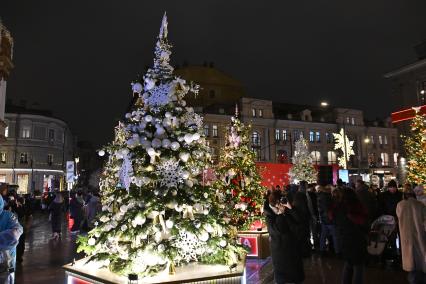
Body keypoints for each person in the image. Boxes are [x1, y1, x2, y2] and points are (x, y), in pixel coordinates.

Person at [264, 190, 304, 284]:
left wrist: (290, 208)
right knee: (282, 276)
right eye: (280, 200)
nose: (282, 202)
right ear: (276, 202)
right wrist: (280, 214)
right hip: (280, 249)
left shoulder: (285, 208)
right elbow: (278, 230)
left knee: (296, 275)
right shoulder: (269, 214)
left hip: (292, 246)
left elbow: (300, 220)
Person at [331, 188, 368, 284]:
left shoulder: (339, 207)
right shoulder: (356, 206)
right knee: (358, 267)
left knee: (348, 264)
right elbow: (363, 222)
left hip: (344, 238)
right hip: (357, 239)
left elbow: (334, 219)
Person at [396, 185, 426, 284]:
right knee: (420, 257)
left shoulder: (400, 205)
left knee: (410, 259)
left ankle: (413, 279)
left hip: (406, 235)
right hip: (419, 235)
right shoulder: (420, 205)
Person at [0, 195, 23, 283]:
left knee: (9, 277)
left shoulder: (9, 216)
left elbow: (16, 232)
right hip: (8, 258)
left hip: (9, 259)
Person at [317, 185, 339, 255]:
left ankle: (322, 250)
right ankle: (337, 251)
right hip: (330, 219)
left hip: (324, 219)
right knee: (335, 235)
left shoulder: (320, 196)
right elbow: (329, 209)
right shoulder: (328, 197)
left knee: (323, 235)